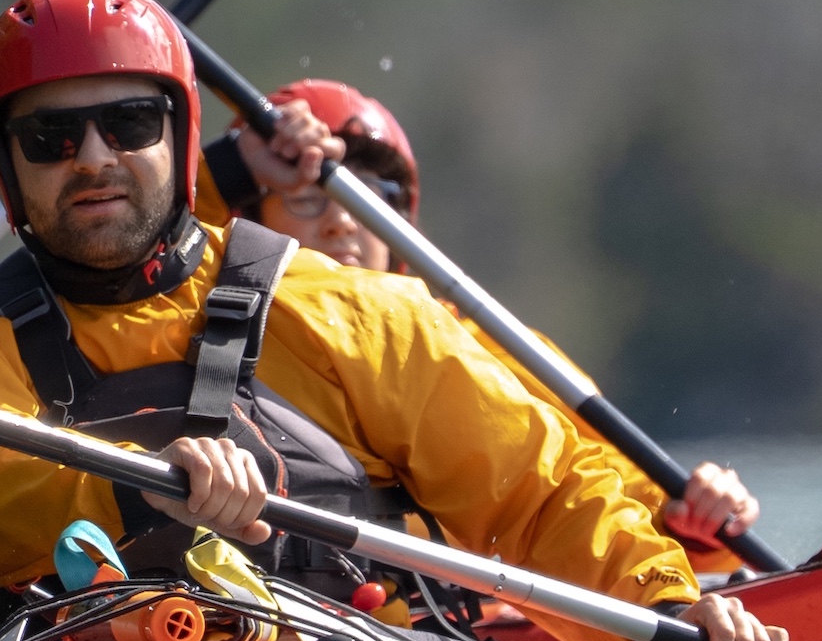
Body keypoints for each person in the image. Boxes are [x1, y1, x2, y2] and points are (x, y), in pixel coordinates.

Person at [0, 0, 787, 641]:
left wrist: (665, 608)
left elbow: (536, 491)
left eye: (129, 122)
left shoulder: (346, 309)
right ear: (6, 163)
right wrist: (138, 480)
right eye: (50, 137)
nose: (93, 159)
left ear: (179, 135)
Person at [201, 76, 769, 574]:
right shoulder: (203, 324)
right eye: (305, 197)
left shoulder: (468, 343)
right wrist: (227, 168)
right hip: (268, 616)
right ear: (248, 219)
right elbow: (146, 260)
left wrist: (680, 519)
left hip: (438, 631)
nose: (342, 222)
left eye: (369, 196)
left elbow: (577, 468)